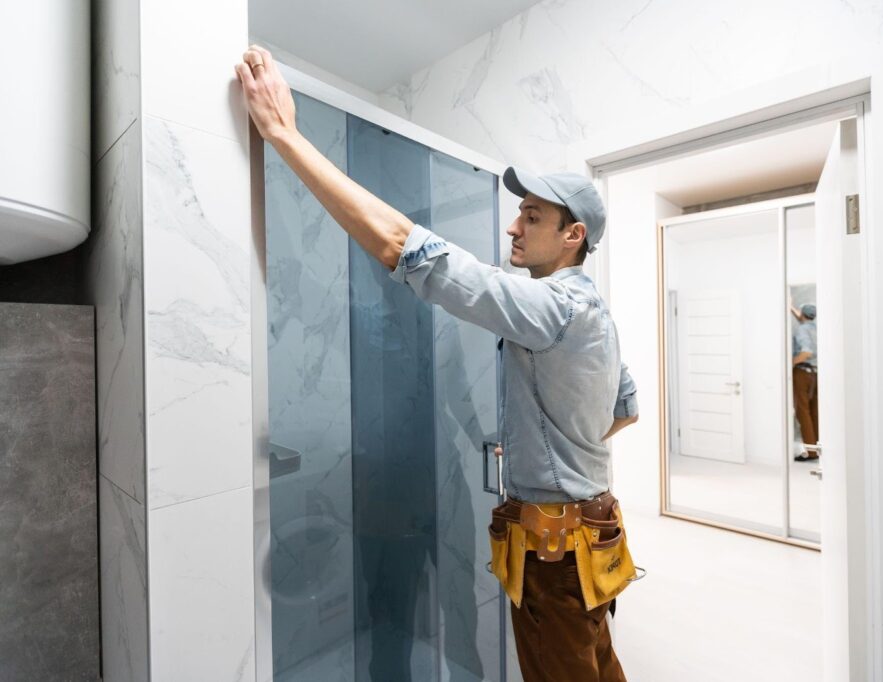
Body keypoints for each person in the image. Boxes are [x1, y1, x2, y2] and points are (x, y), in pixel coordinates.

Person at [236, 45, 640, 682]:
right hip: (589, 535)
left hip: (557, 551)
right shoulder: (596, 313)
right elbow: (625, 409)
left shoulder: (550, 307)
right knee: (596, 664)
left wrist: (283, 134)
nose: (513, 228)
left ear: (574, 236)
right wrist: (550, 446)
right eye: (518, 213)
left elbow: (407, 248)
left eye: (532, 217)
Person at [791, 303, 819, 461]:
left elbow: (806, 352)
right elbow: (803, 319)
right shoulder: (816, 328)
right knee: (815, 412)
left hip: (802, 373)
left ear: (803, 314)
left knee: (803, 412)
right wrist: (791, 307)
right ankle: (817, 449)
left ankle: (810, 452)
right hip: (815, 373)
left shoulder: (802, 329)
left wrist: (790, 363)